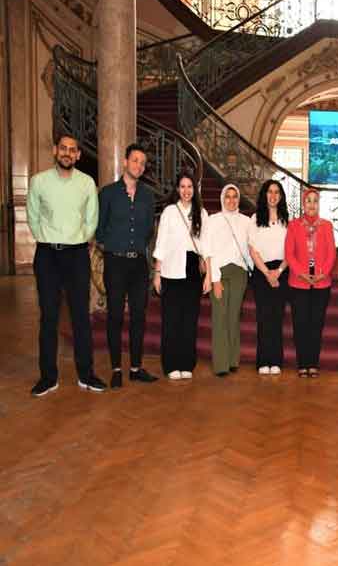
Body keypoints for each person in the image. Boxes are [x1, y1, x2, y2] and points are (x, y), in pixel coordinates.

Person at [27, 132, 107, 396]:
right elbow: (33, 215)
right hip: (47, 256)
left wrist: (78, 239)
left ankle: (87, 374)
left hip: (76, 256)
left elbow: (92, 218)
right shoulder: (38, 182)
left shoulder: (86, 183)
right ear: (54, 151)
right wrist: (46, 239)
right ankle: (48, 377)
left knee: (80, 317)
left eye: (73, 150)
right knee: (49, 317)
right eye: (63, 148)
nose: (67, 153)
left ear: (78, 155)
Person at [96, 143, 158, 389]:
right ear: (125, 162)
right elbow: (99, 228)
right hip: (115, 261)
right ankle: (116, 368)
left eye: (142, 163)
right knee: (114, 316)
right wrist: (112, 245)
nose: (139, 166)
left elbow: (148, 230)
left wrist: (137, 247)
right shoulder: (108, 193)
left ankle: (135, 367)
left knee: (139, 317)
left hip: (138, 264)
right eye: (135, 160)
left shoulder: (148, 195)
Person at [152, 173, 211, 380]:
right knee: (171, 321)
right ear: (177, 189)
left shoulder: (201, 213)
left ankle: (187, 363)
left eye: (190, 187)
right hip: (171, 269)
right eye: (182, 187)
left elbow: (206, 246)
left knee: (189, 321)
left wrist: (208, 276)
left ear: (195, 190)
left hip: (193, 269)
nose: (186, 191)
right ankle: (171, 364)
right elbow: (161, 243)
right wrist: (157, 273)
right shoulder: (169, 211)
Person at [285, 188, 336, 377]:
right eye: (308, 201)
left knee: (316, 324)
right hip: (299, 284)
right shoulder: (293, 226)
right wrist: (302, 274)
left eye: (315, 201)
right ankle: (302, 364)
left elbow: (331, 254)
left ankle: (313, 363)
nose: (312, 204)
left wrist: (322, 273)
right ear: (303, 204)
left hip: (321, 284)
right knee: (300, 325)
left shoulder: (327, 226)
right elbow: (289, 254)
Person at [206, 184, 252, 377]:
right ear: (222, 199)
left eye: (234, 197)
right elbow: (207, 250)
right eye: (228, 197)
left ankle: (233, 360)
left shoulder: (246, 221)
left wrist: (250, 269)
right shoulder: (213, 220)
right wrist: (214, 279)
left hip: (239, 273)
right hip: (219, 272)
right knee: (220, 317)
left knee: (233, 317)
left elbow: (250, 248)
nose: (231, 200)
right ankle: (221, 364)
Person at [248, 179, 289, 375]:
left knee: (277, 317)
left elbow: (291, 250)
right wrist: (266, 273)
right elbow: (252, 250)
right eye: (270, 192)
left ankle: (276, 361)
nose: (273, 196)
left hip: (281, 270)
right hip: (261, 272)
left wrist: (278, 271)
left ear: (281, 197)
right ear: (264, 195)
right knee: (264, 317)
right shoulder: (255, 219)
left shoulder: (287, 220)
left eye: (276, 192)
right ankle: (263, 361)